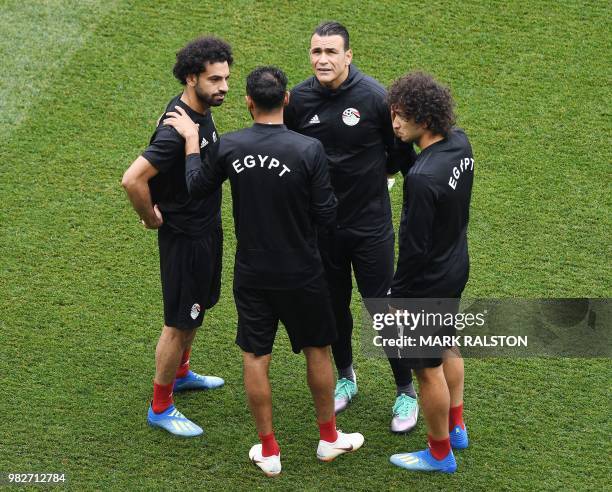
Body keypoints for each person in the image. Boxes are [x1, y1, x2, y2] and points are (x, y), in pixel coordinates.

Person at [163, 66, 364, 477]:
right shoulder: (309, 150)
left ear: (249, 102)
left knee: (256, 356)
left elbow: (196, 185)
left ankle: (269, 451)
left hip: (253, 273)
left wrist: (189, 141)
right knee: (318, 350)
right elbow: (326, 216)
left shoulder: (231, 147)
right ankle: (328, 439)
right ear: (287, 100)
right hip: (303, 272)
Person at [284, 20, 419, 432]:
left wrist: (374, 176)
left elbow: (402, 155)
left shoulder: (376, 98)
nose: (322, 60)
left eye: (330, 52)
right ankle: (346, 376)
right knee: (333, 306)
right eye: (315, 52)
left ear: (348, 55)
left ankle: (405, 391)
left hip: (369, 225)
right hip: (322, 228)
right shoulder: (298, 101)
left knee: (384, 306)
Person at [121, 36, 232, 437]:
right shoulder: (176, 132)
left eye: (226, 79)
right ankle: (161, 405)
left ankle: (182, 373)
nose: (223, 87)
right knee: (178, 323)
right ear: (191, 78)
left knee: (196, 311)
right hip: (185, 238)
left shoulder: (195, 112)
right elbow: (132, 179)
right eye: (215, 79)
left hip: (206, 230)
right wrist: (149, 217)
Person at [386, 72, 473, 473]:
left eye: (402, 116)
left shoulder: (421, 180)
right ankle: (456, 427)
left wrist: (397, 296)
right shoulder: (460, 143)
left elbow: (414, 249)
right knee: (448, 345)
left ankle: (439, 453)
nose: (395, 124)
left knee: (426, 368)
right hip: (456, 266)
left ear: (423, 117)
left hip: (427, 282)